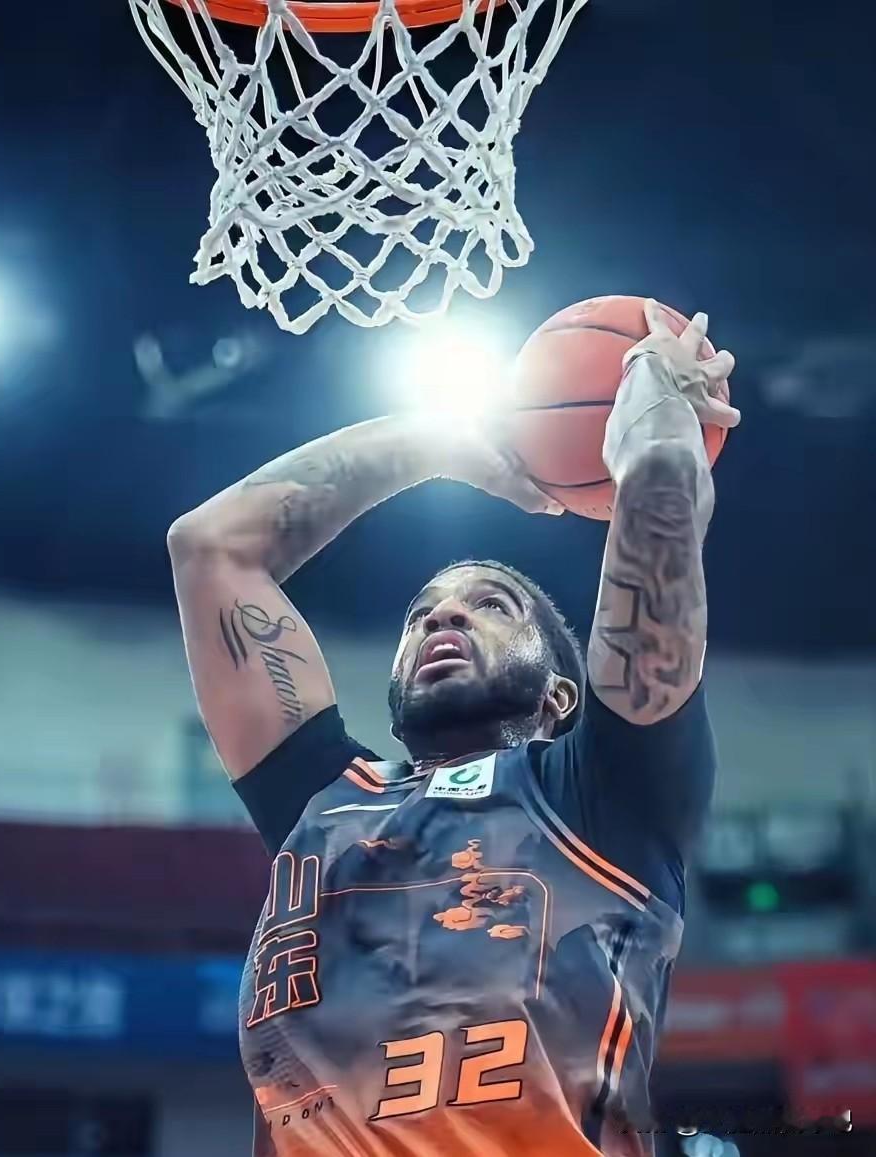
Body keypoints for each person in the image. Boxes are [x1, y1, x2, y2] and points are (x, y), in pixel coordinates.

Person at [167, 301, 740, 1157]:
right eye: (422, 613)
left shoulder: (604, 792)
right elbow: (209, 545)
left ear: (561, 696)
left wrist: (657, 418)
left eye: (493, 606)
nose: (445, 618)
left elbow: (659, 511)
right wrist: (438, 444)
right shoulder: (326, 806)